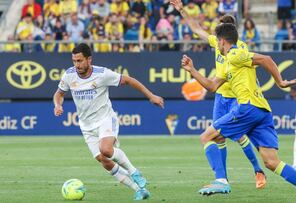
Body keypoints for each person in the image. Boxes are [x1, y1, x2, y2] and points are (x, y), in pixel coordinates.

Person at [181, 23, 296, 194]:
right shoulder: (228, 63)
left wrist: (280, 82)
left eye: (217, 42)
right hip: (263, 111)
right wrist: (193, 70)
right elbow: (212, 86)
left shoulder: (235, 54)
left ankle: (221, 180)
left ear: (221, 41)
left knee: (207, 137)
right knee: (272, 162)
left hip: (248, 107)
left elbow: (266, 60)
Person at [170, 0, 266, 189]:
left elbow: (250, 67)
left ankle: (258, 170)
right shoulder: (216, 43)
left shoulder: (241, 47)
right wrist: (181, 10)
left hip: (236, 97)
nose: (217, 35)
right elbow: (196, 29)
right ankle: (222, 179)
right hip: (220, 97)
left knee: (239, 136)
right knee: (217, 137)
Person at [53, 43, 164, 200]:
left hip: (105, 119)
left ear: (89, 59)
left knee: (106, 149)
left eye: (79, 61)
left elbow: (129, 80)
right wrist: (58, 105)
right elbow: (59, 94)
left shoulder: (102, 74)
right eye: (74, 61)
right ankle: (138, 189)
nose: (77, 65)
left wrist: (151, 96)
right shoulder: (69, 75)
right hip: (86, 126)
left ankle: (134, 171)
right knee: (103, 160)